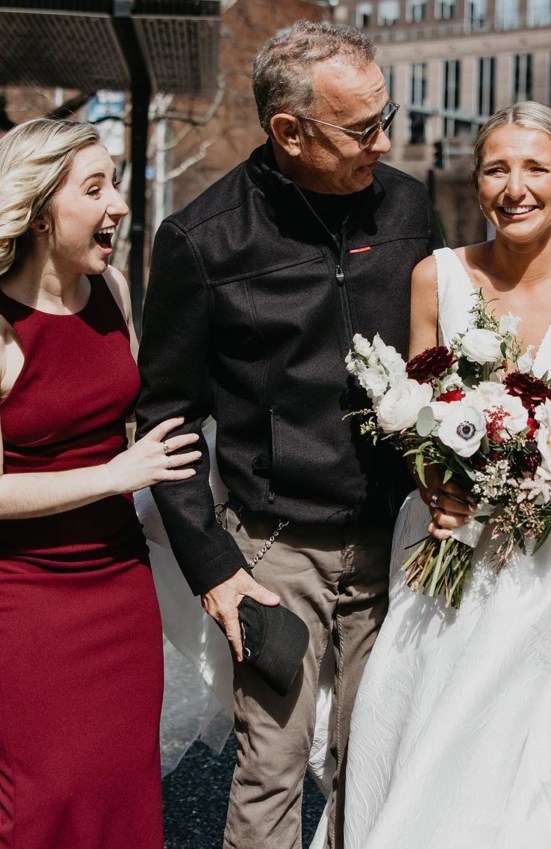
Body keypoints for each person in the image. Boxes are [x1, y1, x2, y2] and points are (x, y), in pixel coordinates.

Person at [338, 102, 551, 849]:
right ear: (478, 180)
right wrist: (437, 482)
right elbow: (412, 414)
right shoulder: (437, 276)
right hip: (462, 552)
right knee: (444, 746)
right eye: (497, 168)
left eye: (535, 168)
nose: (515, 186)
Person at [135, 20, 443, 849]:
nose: (386, 140)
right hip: (272, 550)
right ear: (289, 131)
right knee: (272, 766)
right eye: (362, 128)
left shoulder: (410, 205)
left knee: (374, 757)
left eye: (389, 116)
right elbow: (165, 419)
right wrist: (215, 569)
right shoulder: (202, 240)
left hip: (396, 540)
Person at [0, 119, 200, 849]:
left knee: (121, 788)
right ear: (41, 208)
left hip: (119, 587)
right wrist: (114, 474)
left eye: (114, 182)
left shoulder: (110, 286)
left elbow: (131, 419)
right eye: (95, 187)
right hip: (24, 600)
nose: (117, 203)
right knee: (43, 797)